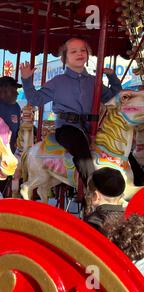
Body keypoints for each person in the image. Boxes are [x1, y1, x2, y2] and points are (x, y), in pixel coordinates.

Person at [20, 38, 123, 186]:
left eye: (83, 50)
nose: (79, 53)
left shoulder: (94, 81)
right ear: (65, 58)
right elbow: (36, 99)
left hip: (91, 127)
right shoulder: (57, 81)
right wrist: (27, 81)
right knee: (81, 149)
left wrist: (112, 77)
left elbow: (115, 98)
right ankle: (93, 188)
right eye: (73, 51)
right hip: (67, 127)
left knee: (120, 147)